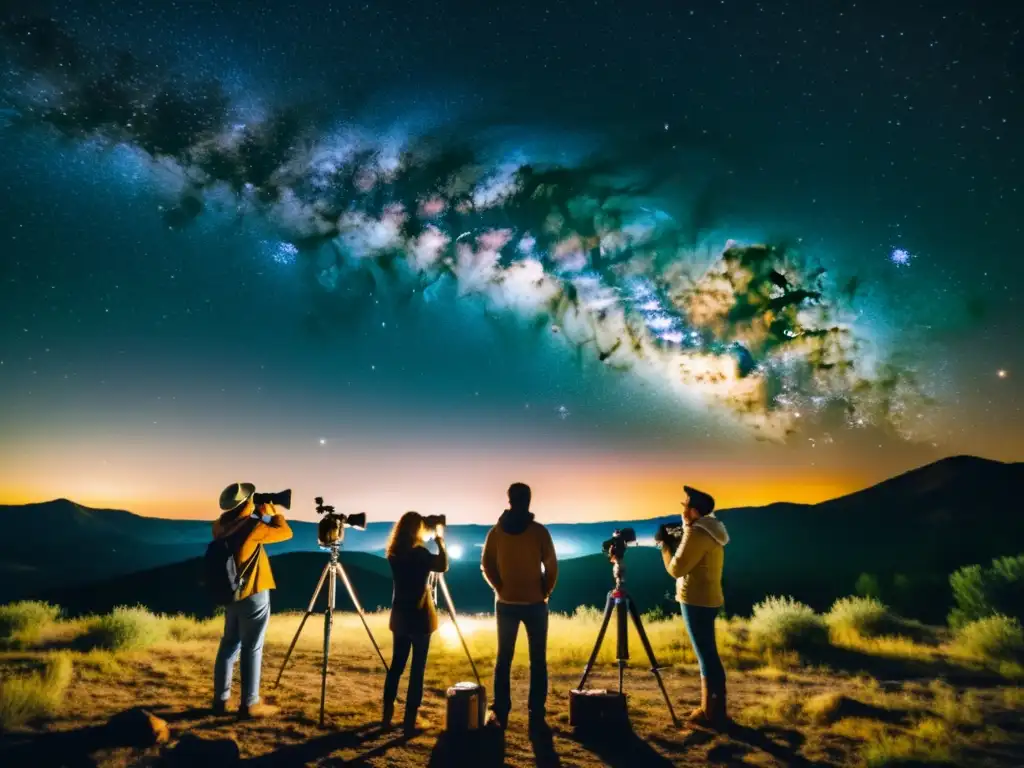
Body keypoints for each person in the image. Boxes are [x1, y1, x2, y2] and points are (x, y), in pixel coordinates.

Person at [481, 482, 558, 731]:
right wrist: (545, 590)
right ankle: (537, 712)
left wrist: (499, 587)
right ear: (528, 501)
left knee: (504, 659)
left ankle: (501, 710)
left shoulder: (496, 532)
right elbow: (552, 565)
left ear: (510, 500)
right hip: (535, 603)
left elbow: (486, 563)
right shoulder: (539, 532)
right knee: (538, 660)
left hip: (506, 603)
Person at [211, 482, 293, 718]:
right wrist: (270, 511)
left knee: (229, 645)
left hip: (230, 592)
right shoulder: (253, 527)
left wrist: (254, 512)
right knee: (252, 647)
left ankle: (220, 699)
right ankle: (249, 703)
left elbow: (240, 526)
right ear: (247, 502)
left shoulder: (219, 526)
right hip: (253, 592)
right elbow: (286, 532)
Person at [658, 485, 730, 730]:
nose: (683, 509)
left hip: (696, 599)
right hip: (709, 597)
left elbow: (676, 569)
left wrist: (665, 547)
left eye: (685, 506)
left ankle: (712, 713)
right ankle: (711, 708)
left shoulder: (698, 533)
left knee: (706, 655)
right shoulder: (711, 530)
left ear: (694, 511)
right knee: (707, 653)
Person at [382, 511, 449, 735]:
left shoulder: (394, 552)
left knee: (396, 667)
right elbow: (442, 565)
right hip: (420, 618)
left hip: (400, 616)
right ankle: (410, 720)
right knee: (417, 669)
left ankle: (387, 715)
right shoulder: (420, 553)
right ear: (416, 530)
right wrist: (440, 540)